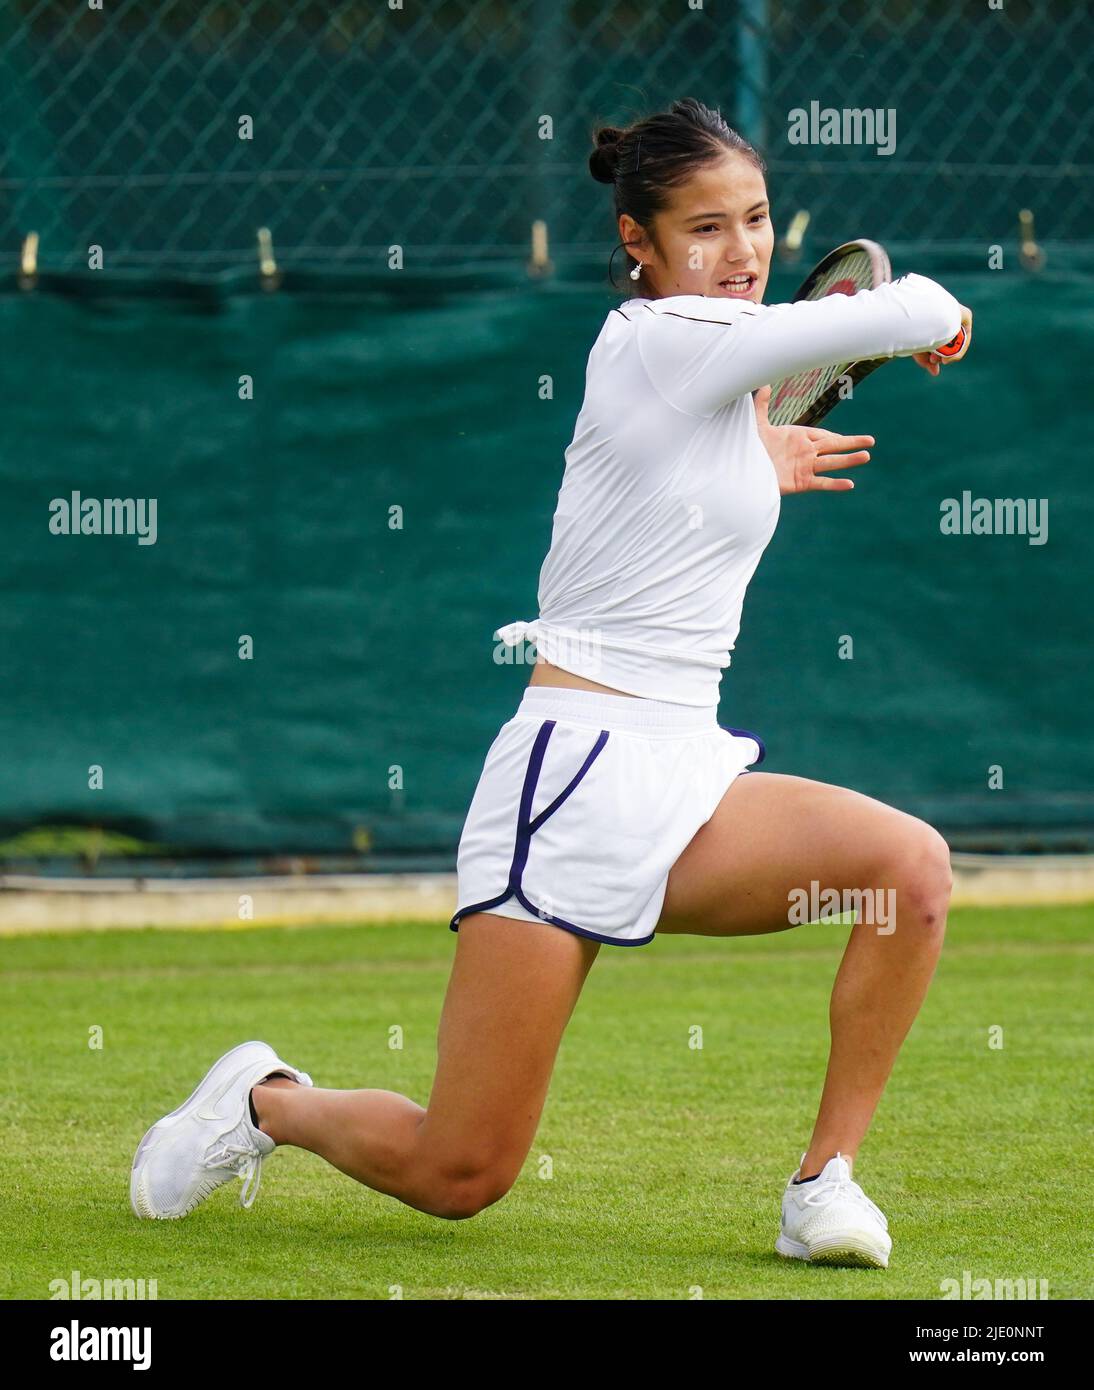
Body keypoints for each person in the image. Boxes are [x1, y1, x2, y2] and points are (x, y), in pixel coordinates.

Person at [131, 98, 971, 1271]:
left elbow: (663, 505)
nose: (739, 253)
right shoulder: (657, 338)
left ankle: (821, 1182)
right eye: (705, 228)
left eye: (758, 220)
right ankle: (264, 1101)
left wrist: (753, 462)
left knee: (906, 871)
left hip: (687, 770)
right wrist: (929, 320)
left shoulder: (716, 388)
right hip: (569, 776)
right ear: (638, 240)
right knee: (459, 1171)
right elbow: (920, 304)